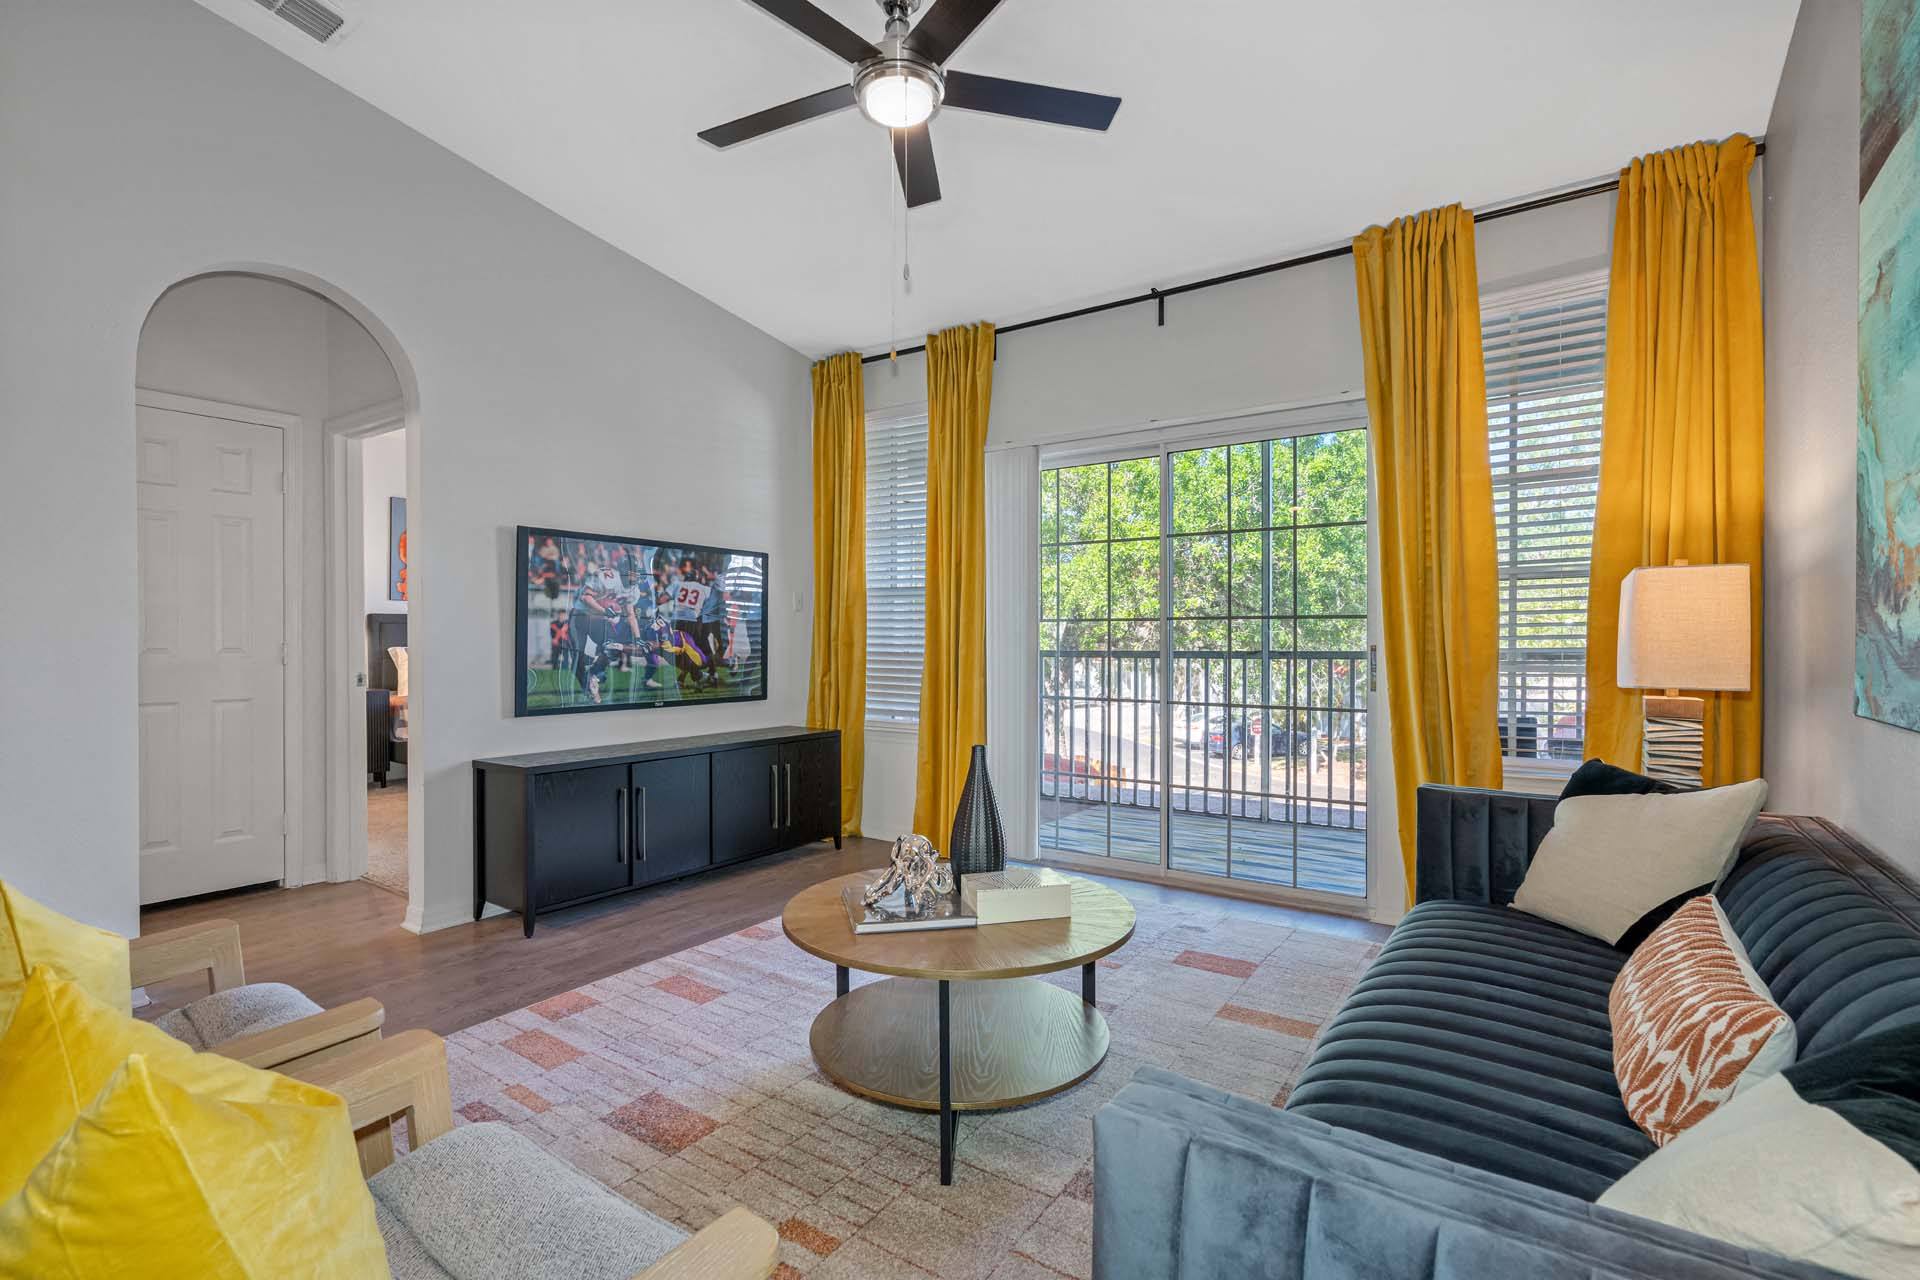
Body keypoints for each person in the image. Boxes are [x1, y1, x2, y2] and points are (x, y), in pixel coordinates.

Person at [568, 552, 623, 705]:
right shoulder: (605, 576)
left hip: (598, 617)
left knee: (615, 647)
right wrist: (605, 610)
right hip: (581, 616)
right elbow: (586, 597)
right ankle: (589, 689)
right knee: (576, 656)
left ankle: (595, 673)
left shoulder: (630, 586)